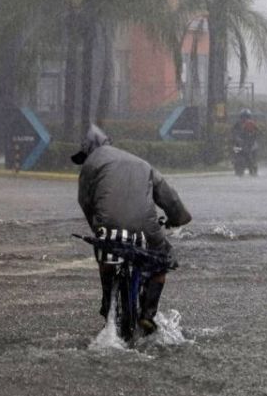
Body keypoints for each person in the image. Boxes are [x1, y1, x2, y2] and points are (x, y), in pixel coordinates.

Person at [72, 125, 192, 333]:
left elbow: (85, 201)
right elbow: (168, 197)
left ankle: (108, 304)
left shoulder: (91, 164)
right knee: (161, 263)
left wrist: (98, 228)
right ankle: (147, 314)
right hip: (146, 228)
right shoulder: (142, 164)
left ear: (89, 149)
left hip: (109, 227)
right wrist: (178, 218)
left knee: (104, 251)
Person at [230, 108, 259, 176]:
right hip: (239, 144)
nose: (245, 118)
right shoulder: (237, 124)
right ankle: (234, 161)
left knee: (254, 151)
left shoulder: (252, 124)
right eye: (243, 117)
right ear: (241, 117)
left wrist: (253, 138)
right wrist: (235, 138)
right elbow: (233, 133)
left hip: (250, 144)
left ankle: (253, 164)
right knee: (235, 151)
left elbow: (257, 133)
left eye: (247, 117)